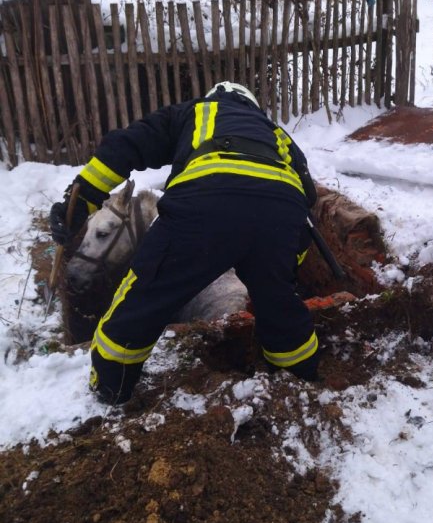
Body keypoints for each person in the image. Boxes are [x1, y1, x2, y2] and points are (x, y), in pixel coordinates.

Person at [50, 81, 320, 403]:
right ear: (251, 106)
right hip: (279, 205)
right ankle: (298, 383)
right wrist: (283, 271)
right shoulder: (275, 132)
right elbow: (307, 195)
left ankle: (109, 390)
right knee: (280, 306)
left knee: (143, 300)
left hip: (204, 201)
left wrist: (79, 202)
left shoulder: (191, 112)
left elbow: (128, 145)